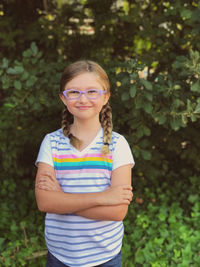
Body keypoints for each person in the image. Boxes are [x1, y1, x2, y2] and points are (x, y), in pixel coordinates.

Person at [35, 60, 135, 267]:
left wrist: (62, 200)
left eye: (92, 91)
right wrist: (103, 197)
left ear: (105, 97)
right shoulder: (51, 143)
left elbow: (117, 212)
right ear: (63, 98)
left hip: (105, 256)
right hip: (60, 256)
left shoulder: (118, 144)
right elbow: (45, 202)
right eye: (74, 92)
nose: (83, 99)